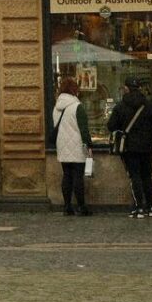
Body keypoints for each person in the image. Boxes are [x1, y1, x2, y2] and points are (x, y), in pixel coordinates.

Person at [108, 77, 152, 219]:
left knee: (134, 176)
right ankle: (151, 207)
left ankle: (139, 207)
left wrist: (123, 132)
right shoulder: (150, 105)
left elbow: (111, 126)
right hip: (147, 147)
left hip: (129, 148)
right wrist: (150, 137)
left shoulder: (120, 106)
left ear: (126, 88)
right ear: (140, 88)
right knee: (147, 176)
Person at [50, 71, 93, 216]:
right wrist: (88, 144)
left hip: (62, 145)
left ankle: (67, 206)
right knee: (78, 176)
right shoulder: (77, 106)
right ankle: (81, 206)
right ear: (74, 90)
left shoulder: (57, 107)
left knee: (67, 175)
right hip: (77, 146)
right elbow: (84, 129)